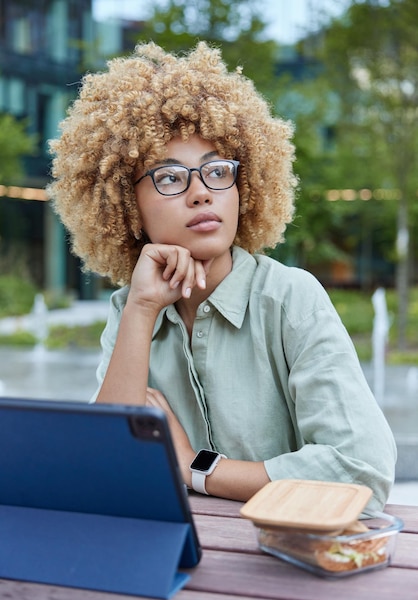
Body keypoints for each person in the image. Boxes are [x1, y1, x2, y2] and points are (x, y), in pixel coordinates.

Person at [48, 41, 396, 510]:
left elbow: (362, 473)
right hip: (180, 557)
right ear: (127, 207)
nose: (200, 194)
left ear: (243, 185)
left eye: (216, 171)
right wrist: (142, 309)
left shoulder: (290, 299)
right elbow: (100, 469)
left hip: (279, 564)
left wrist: (197, 467)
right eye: (169, 178)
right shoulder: (130, 309)